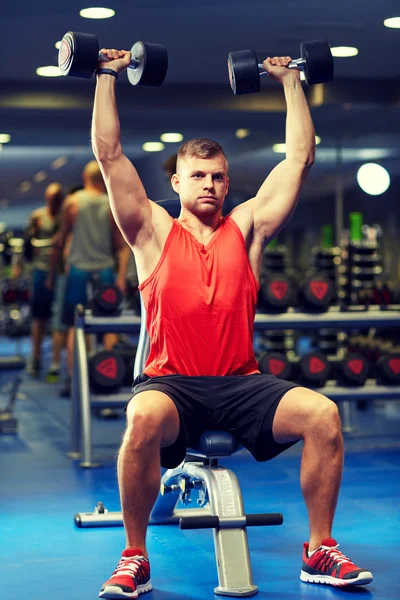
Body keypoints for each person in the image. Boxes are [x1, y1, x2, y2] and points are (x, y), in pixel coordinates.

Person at [92, 49, 373, 598]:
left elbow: (298, 160)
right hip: (172, 384)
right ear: (175, 181)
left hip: (242, 383)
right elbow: (108, 153)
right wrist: (105, 75)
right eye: (198, 176)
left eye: (219, 177)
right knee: (141, 417)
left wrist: (293, 82)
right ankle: (134, 557)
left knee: (323, 415)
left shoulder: (246, 229)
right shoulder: (150, 231)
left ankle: (319, 549)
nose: (211, 185)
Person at [47, 160, 131, 397]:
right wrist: (121, 277)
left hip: (79, 271)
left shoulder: (72, 203)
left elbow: (61, 240)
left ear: (85, 177)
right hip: (104, 272)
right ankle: (110, 379)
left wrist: (53, 273)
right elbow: (121, 246)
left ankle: (76, 380)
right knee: (109, 327)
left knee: (76, 326)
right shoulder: (110, 205)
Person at [25, 182, 65, 378]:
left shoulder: (65, 216)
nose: (53, 202)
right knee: (39, 318)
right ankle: (36, 358)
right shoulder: (37, 217)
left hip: (60, 273)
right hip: (41, 271)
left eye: (56, 199)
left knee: (59, 321)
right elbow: (28, 247)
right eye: (51, 198)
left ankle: (56, 363)